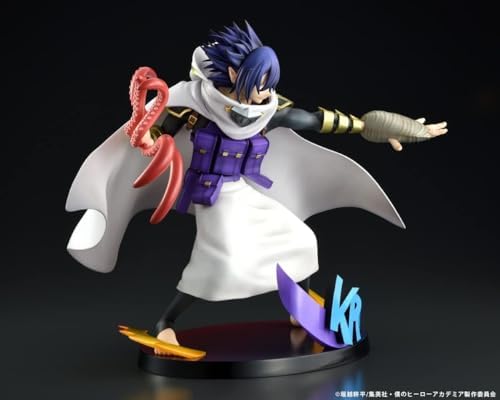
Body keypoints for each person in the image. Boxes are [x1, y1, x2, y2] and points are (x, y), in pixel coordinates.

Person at [66, 22, 447, 356]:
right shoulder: (195, 105)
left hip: (244, 189)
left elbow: (317, 120)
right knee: (223, 264)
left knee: (300, 239)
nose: (265, 95)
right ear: (235, 74)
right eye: (259, 85)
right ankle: (165, 323)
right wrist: (148, 135)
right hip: (211, 195)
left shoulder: (267, 111)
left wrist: (380, 128)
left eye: (269, 86)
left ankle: (298, 307)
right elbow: (158, 132)